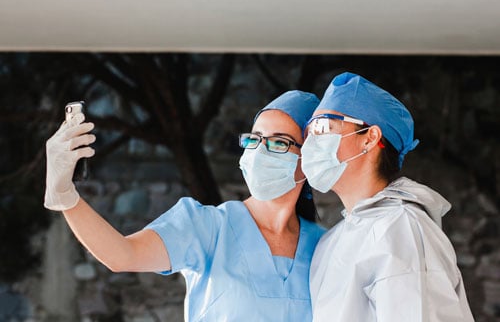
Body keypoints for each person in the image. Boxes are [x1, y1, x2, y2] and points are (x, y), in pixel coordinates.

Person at [44, 90, 326, 321]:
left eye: (279, 143)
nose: (260, 151)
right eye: (254, 139)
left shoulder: (324, 248)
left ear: (310, 158)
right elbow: (122, 255)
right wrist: (65, 195)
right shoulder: (205, 226)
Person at [301, 72, 474, 322]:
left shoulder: (401, 228)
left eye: (323, 127)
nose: (310, 143)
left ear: (370, 138)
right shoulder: (333, 241)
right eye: (309, 130)